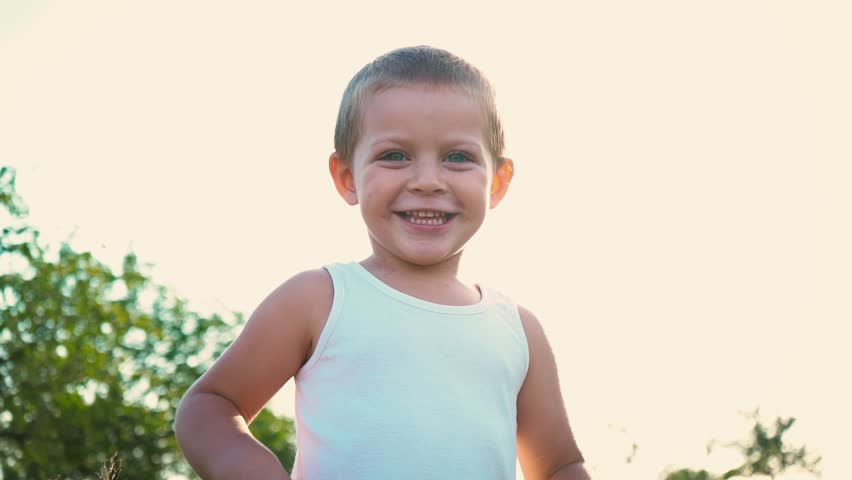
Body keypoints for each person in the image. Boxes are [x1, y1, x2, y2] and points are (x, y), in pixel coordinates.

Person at [174, 45, 590, 480]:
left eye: (458, 157)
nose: (428, 181)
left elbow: (559, 465)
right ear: (347, 176)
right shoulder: (318, 300)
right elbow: (211, 405)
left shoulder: (518, 329)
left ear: (498, 182)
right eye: (395, 155)